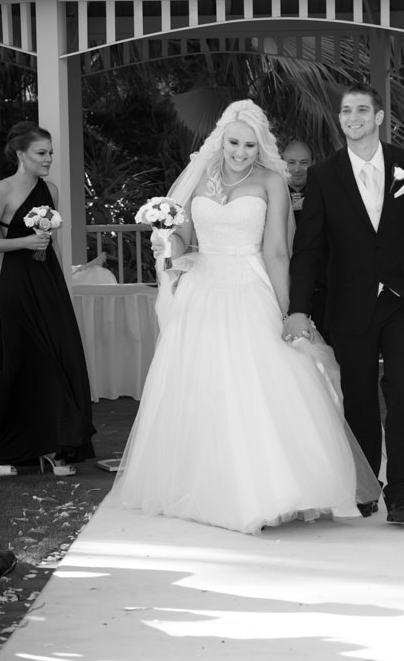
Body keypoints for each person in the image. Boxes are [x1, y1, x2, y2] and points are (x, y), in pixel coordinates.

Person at [112, 100, 380, 535]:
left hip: (251, 285)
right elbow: (184, 238)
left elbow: (277, 251)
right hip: (202, 288)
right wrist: (167, 245)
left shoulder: (272, 181)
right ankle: (206, 485)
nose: (240, 152)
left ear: (261, 147)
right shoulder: (199, 176)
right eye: (234, 143)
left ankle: (279, 489)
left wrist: (290, 309)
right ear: (221, 140)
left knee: (263, 385)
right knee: (203, 386)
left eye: (250, 145)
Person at [285, 83, 404, 524]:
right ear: (340, 120)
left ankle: (402, 494)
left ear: (379, 117)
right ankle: (365, 484)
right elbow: (308, 248)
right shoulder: (324, 174)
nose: (354, 117)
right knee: (357, 396)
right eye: (346, 111)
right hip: (349, 300)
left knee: (402, 389)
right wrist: (298, 307)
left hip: (402, 297)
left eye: (363, 110)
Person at [0, 121, 95, 478]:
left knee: (61, 358)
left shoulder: (52, 190)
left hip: (48, 283)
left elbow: (53, 242)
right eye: (41, 153)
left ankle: (56, 450)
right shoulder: (3, 190)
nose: (49, 159)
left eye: (51, 153)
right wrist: (23, 243)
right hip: (16, 284)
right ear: (20, 154)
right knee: (21, 361)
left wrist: (62, 284)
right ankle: (2, 451)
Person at [283, 139, 331, 343]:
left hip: (319, 284)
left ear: (313, 163)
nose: (297, 169)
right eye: (291, 162)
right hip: (282, 280)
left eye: (304, 162)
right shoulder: (269, 192)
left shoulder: (325, 192)